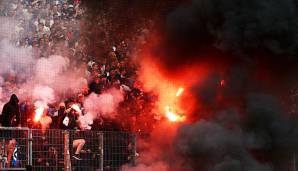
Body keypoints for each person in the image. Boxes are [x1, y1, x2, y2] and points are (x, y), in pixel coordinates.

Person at [0, 94, 21, 167]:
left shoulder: (16, 106)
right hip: (6, 126)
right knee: (4, 141)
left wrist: (18, 124)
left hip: (11, 127)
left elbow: (18, 115)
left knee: (8, 142)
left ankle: (7, 161)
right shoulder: (7, 105)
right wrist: (1, 124)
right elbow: (3, 115)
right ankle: (4, 154)